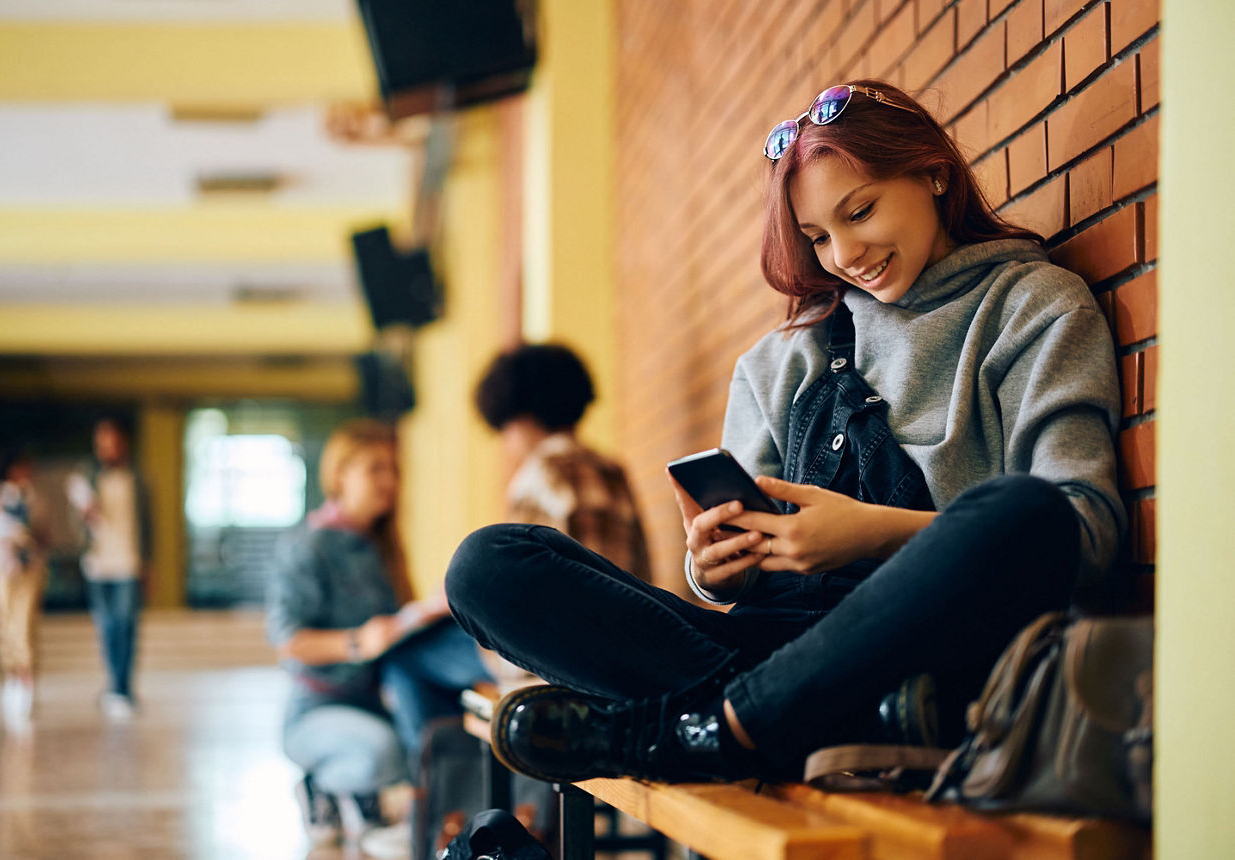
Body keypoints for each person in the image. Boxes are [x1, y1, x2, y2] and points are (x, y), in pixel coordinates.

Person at [445, 80, 1124, 785]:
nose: (845, 254)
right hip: (771, 656)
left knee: (1025, 510)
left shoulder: (1030, 305)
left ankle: (713, 728)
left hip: (931, 652)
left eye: (859, 212)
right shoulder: (780, 358)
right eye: (817, 237)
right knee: (487, 566)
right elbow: (729, 577)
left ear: (933, 172)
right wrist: (712, 568)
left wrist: (870, 532)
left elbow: (1084, 530)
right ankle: (825, 725)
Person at [265, 418, 491, 848]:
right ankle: (319, 784)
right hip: (317, 710)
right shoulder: (307, 545)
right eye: (375, 469)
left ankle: (431, 817)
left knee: (432, 736)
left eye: (394, 470)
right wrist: (357, 642)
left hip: (372, 703)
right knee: (384, 752)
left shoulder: (381, 546)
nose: (389, 481)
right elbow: (288, 642)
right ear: (340, 474)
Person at [474, 343, 651, 583]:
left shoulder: (550, 474)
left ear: (523, 417)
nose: (507, 442)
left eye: (505, 426)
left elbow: (594, 583)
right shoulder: (608, 470)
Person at [66, 418, 149, 721]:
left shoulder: (136, 478)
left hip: (128, 562)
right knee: (107, 627)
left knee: (127, 625)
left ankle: (124, 688)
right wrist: (85, 515)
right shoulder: (87, 477)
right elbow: (77, 525)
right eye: (102, 443)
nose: (107, 448)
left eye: (112, 442)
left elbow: (148, 524)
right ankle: (114, 686)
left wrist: (149, 563)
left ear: (122, 443)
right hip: (98, 563)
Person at [0, 450, 50, 729]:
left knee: (25, 623)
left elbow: (46, 534)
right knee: (6, 623)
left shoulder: (35, 497)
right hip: (3, 568)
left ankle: (27, 679)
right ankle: (12, 676)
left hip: (31, 569)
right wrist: (7, 536)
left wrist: (28, 533)